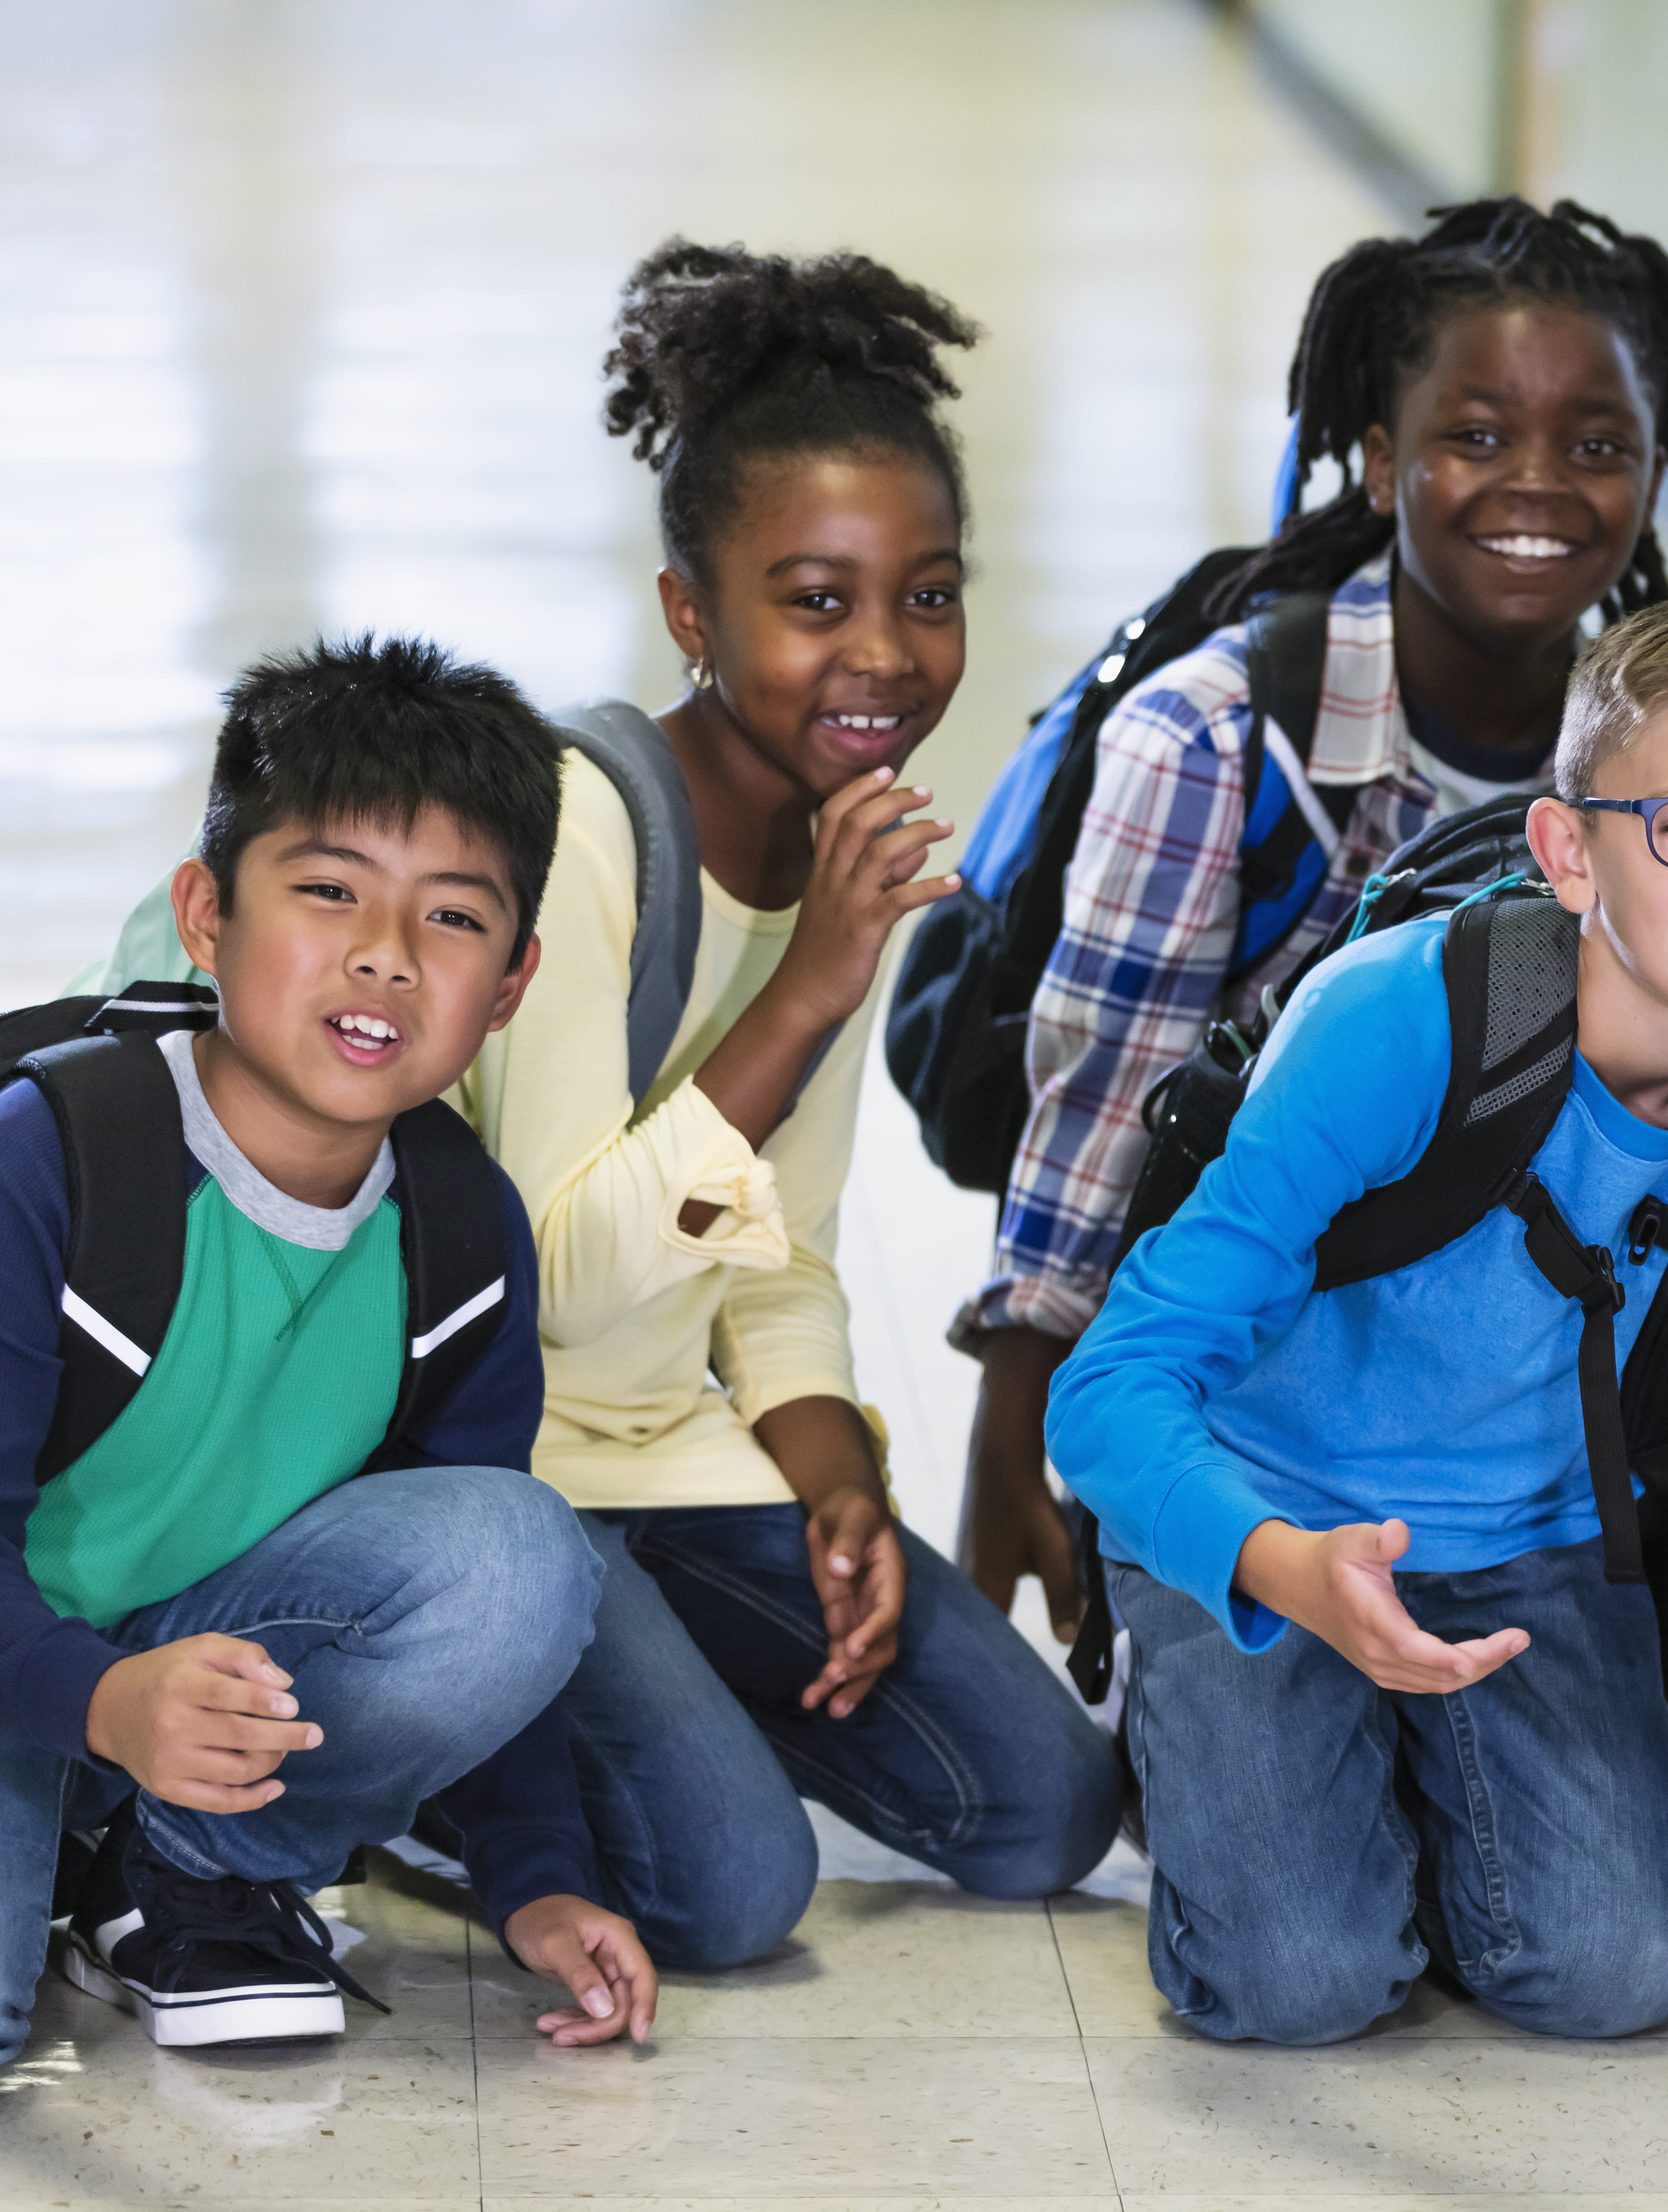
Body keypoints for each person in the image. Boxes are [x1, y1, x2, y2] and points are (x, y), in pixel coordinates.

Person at [1045, 594, 1668, 2086]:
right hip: (1266, 1510)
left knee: (1623, 1970)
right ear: (1565, 850)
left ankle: (1381, 1781)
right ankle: (1210, 1709)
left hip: (1533, 1546)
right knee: (1303, 1978)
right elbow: (1108, 1389)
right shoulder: (1395, 1021)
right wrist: (1279, 1566)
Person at [452, 240, 1115, 1968]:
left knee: (1042, 1806)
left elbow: (779, 1255)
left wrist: (832, 1482)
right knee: (740, 1889)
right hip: (494, 1470)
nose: (884, 654)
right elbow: (560, 1291)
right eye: (813, 600)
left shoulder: (844, 841)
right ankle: (423, 1771)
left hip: (666, 1460)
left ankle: (651, 1687)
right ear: (693, 612)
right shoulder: (580, 822)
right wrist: (814, 982)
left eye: (931, 592)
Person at [959, 198, 1668, 1639]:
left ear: (1658, 470)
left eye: (1598, 446)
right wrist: (1021, 1440)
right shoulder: (1216, 742)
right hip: (1244, 1398)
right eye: (1476, 436)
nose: (1538, 485)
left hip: (1522, 1430)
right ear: (1379, 459)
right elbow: (1102, 1116)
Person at [0, 639, 649, 2095]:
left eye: (452, 916)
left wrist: (534, 1876)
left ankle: (188, 1863)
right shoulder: (38, 1169)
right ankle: (74, 1814)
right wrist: (98, 1705)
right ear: (205, 913)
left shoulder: (457, 1230)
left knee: (520, 1551)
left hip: (195, 1660)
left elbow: (475, 1567)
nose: (385, 952)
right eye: (327, 889)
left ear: (511, 981)